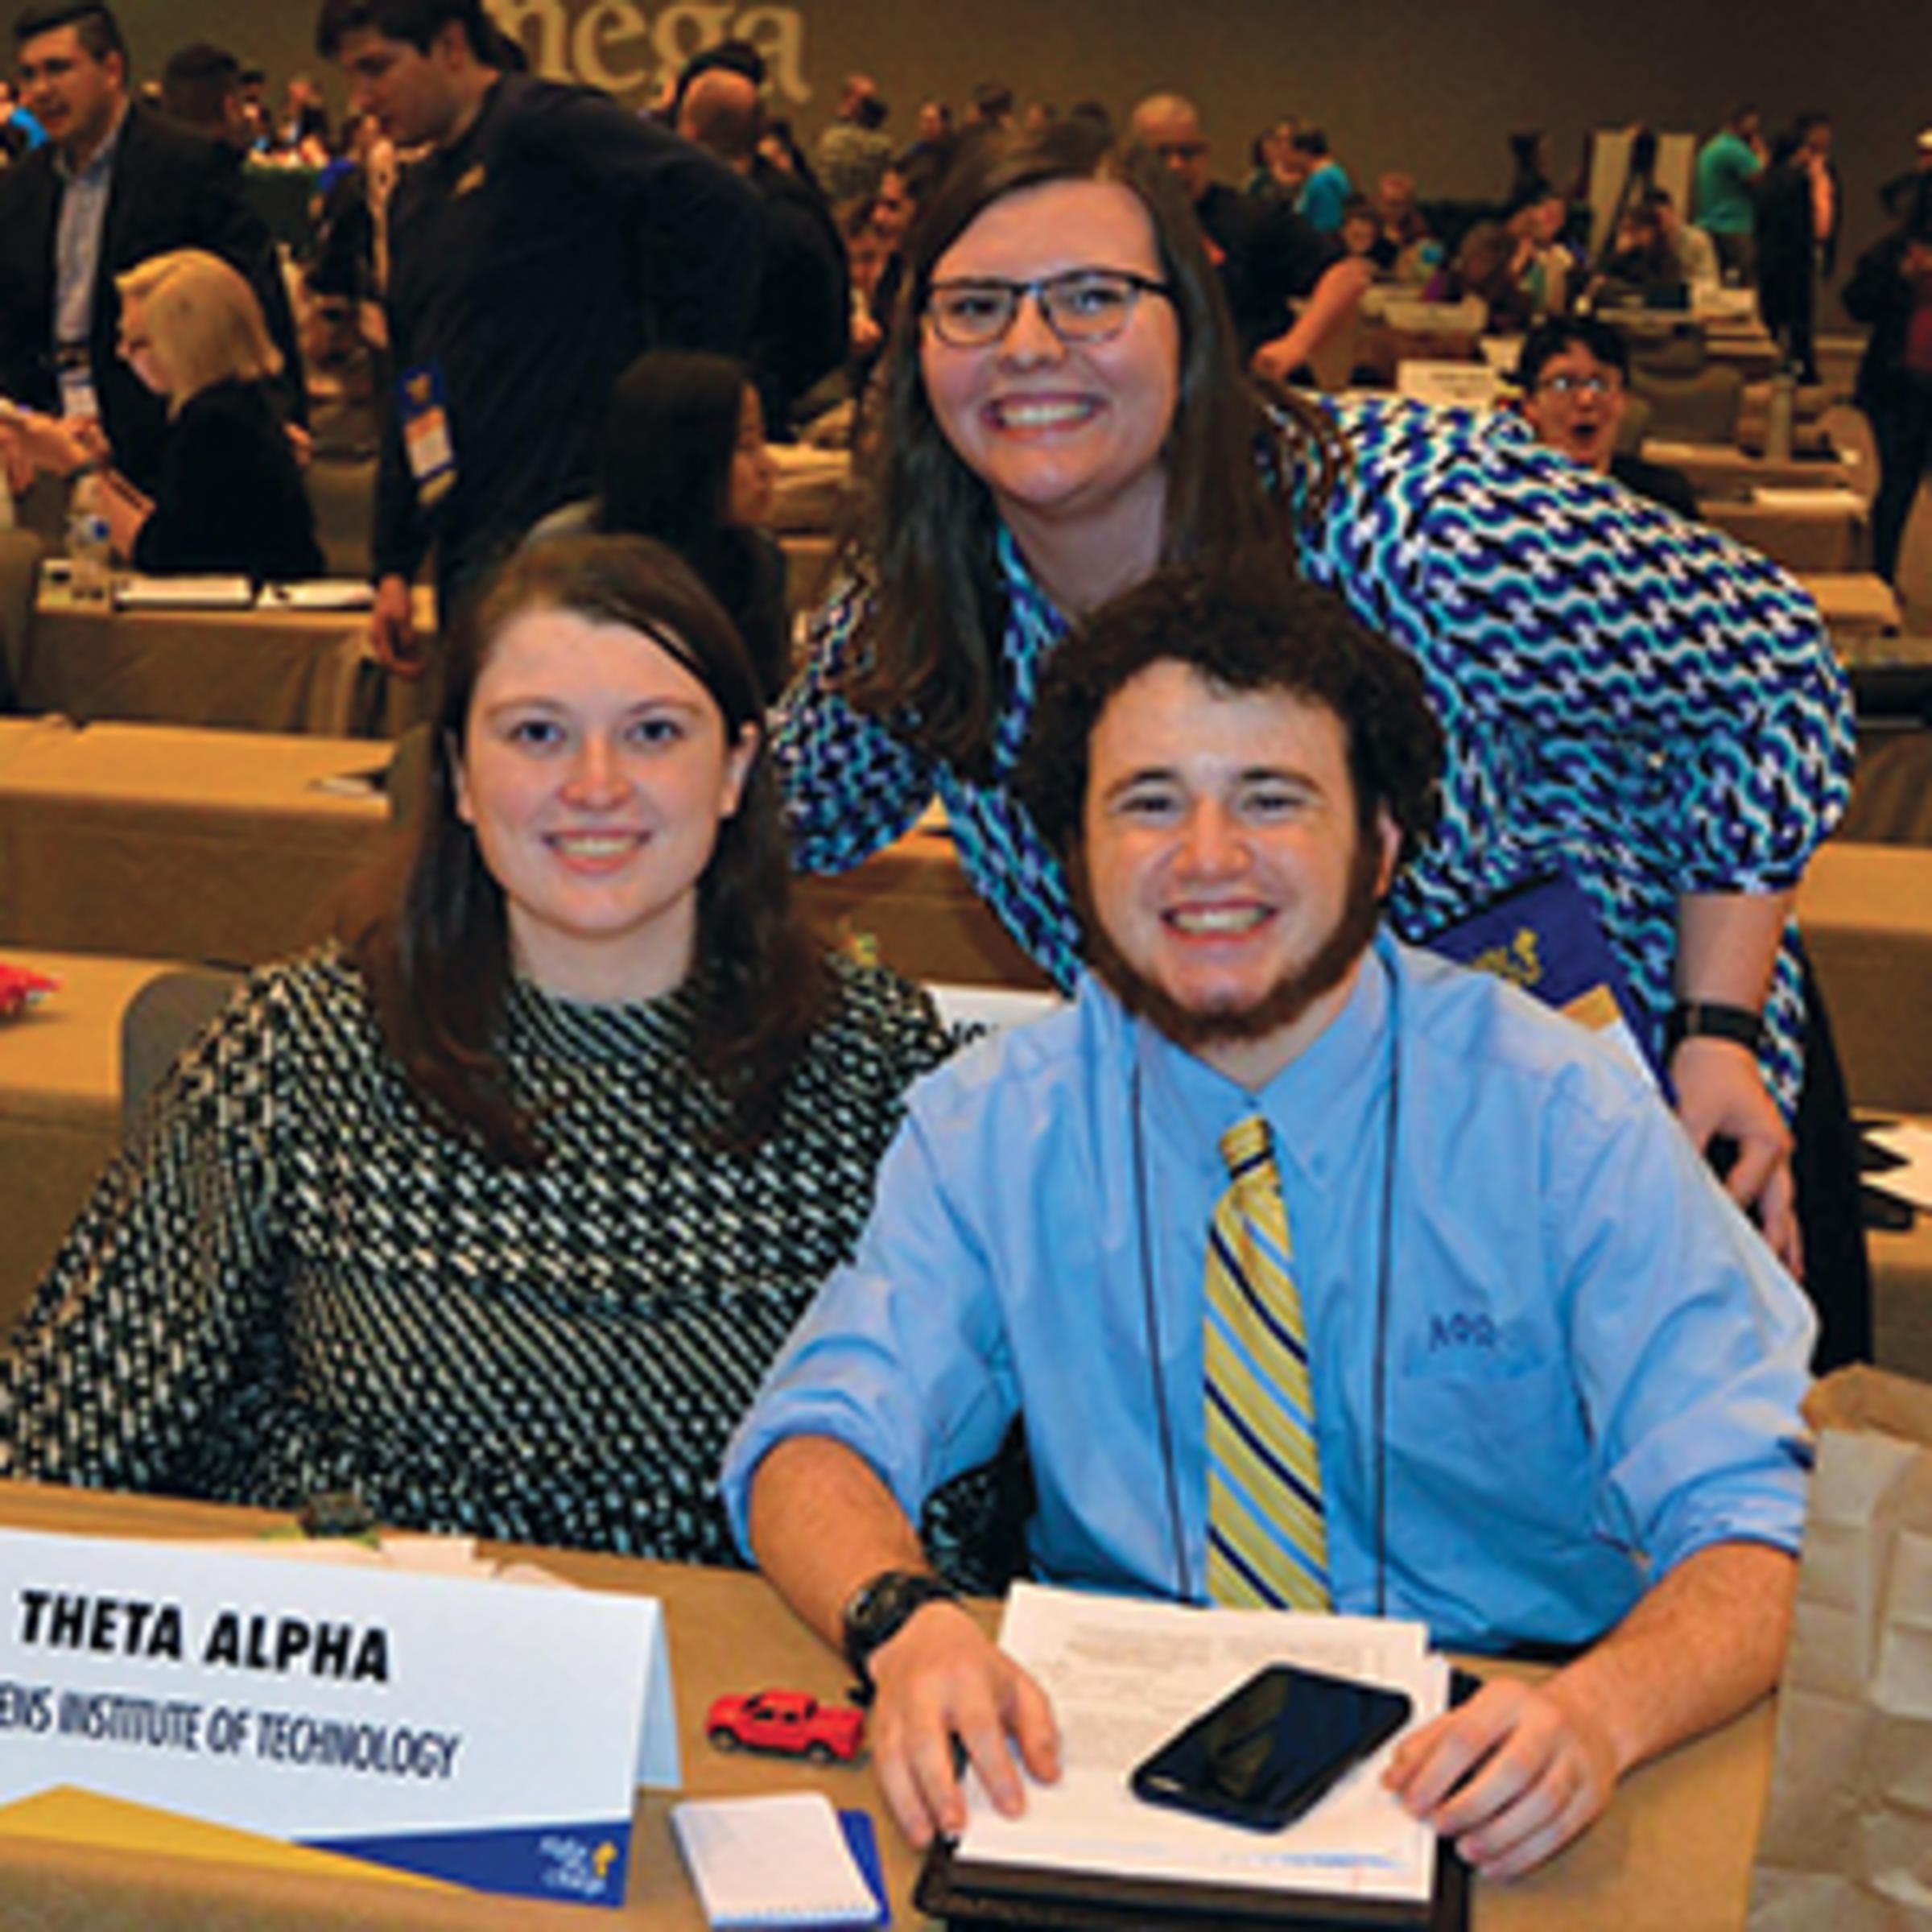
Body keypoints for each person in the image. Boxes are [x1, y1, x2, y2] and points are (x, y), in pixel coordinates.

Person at [729, 564, 1814, 1878]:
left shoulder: (1565, 1118)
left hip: (1512, 1745)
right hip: (1116, 1760)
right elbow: (815, 1439)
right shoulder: (995, 1126)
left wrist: (1602, 1714)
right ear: (1075, 855)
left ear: (1383, 845)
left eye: (1272, 799)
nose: (1208, 858)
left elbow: (1766, 1518)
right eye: (1148, 803)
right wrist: (906, 1624)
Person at [773, 123, 1854, 1327]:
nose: (1028, 347)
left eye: (1090, 298)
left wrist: (1719, 1030)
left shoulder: (1418, 520)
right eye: (974, 306)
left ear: (1190, 327)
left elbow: (1769, 666)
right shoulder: (922, 595)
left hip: (1643, 1105)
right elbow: (791, 808)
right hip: (1303, 1198)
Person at [0, 535, 953, 1562]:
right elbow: (54, 1452)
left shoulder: (876, 1069)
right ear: (458, 774)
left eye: (654, 733)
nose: (596, 784)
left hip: (738, 1657)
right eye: (538, 734)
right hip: (367, 1647)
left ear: (736, 769)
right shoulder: (296, 1050)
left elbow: (956, 1507)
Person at [316, 0, 765, 676]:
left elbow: (722, 205)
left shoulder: (548, 129)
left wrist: (679, 391)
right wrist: (395, 564)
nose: (363, 98)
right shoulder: (417, 193)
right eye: (352, 76)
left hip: (569, 523)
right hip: (467, 531)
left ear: (451, 47)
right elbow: (414, 378)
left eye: (378, 68)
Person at [0, 0, 303, 496]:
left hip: (159, 434)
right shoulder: (20, 188)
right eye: (29, 75)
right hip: (48, 438)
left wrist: (281, 418)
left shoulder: (188, 165)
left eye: (58, 69)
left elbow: (252, 300)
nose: (41, 91)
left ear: (112, 69)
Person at [535, 350, 788, 704]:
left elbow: (765, 697)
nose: (769, 467)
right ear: (686, 458)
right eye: (745, 446)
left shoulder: (757, 558)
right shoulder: (567, 555)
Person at [92, 249, 323, 578]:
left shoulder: (215, 423)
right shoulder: (242, 406)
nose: (123, 354)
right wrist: (103, 474)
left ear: (186, 341)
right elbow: (178, 523)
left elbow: (162, 554)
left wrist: (81, 475)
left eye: (138, 343)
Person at [1515, 316, 1699, 518]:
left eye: (1600, 385)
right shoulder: (1508, 497)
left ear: (1623, 400)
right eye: (1564, 384)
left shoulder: (1664, 498)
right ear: (1530, 403)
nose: (1586, 400)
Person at [1841, 180, 1932, 588]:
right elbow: (1856, 303)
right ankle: (1881, 575)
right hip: (1899, 381)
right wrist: (1902, 279)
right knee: (1898, 483)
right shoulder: (1895, 252)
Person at [1695, 104, 1767, 283]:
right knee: (1751, 280)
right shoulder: (1736, 150)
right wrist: (1761, 154)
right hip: (1735, 225)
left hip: (1709, 222)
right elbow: (1760, 179)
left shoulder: (1711, 147)